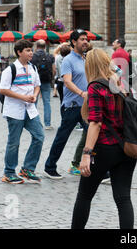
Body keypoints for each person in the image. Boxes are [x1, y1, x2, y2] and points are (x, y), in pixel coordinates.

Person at [71, 48, 136, 229]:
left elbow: (95, 123)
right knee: (123, 199)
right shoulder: (120, 85)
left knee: (84, 196)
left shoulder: (95, 87)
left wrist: (86, 153)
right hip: (126, 148)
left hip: (104, 148)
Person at [44, 30, 90, 180]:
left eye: (86, 39)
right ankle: (50, 167)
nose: (85, 42)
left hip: (85, 106)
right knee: (62, 138)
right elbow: (67, 82)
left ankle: (95, 168)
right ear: (73, 42)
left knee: (93, 135)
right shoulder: (68, 60)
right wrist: (82, 93)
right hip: (72, 106)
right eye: (82, 39)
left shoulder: (85, 59)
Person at [0, 39, 44, 184]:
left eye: (31, 50)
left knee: (39, 136)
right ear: (19, 52)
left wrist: (35, 96)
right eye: (28, 50)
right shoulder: (10, 69)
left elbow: (37, 85)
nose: (31, 53)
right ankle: (9, 172)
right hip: (15, 111)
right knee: (14, 142)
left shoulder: (33, 68)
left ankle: (28, 169)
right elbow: (3, 89)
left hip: (30, 110)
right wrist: (23, 97)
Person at [31, 39, 56, 130]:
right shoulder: (50, 56)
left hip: (35, 82)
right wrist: (51, 79)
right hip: (46, 81)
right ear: (45, 47)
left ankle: (33, 123)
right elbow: (54, 70)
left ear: (36, 47)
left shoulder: (32, 56)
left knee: (34, 101)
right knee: (47, 102)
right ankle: (47, 124)